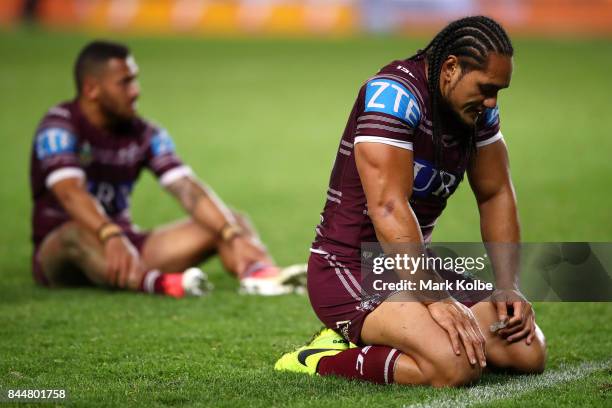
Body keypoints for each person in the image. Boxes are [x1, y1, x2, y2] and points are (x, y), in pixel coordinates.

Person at [275, 16, 546, 386]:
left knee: (525, 351)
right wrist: (436, 298)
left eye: (499, 90)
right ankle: (323, 357)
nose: (492, 101)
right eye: (485, 88)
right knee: (455, 367)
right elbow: (388, 206)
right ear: (451, 67)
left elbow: (496, 193)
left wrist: (508, 284)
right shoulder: (393, 95)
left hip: (414, 264)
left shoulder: (477, 111)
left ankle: (389, 335)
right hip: (350, 268)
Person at [30, 40, 305, 298]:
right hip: (62, 252)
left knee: (230, 219)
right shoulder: (60, 127)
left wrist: (231, 235)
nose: (136, 90)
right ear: (92, 89)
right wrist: (109, 234)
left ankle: (258, 274)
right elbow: (70, 193)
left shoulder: (145, 133)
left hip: (124, 246)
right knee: (75, 233)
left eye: (134, 79)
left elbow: (185, 188)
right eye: (124, 83)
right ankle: (158, 284)